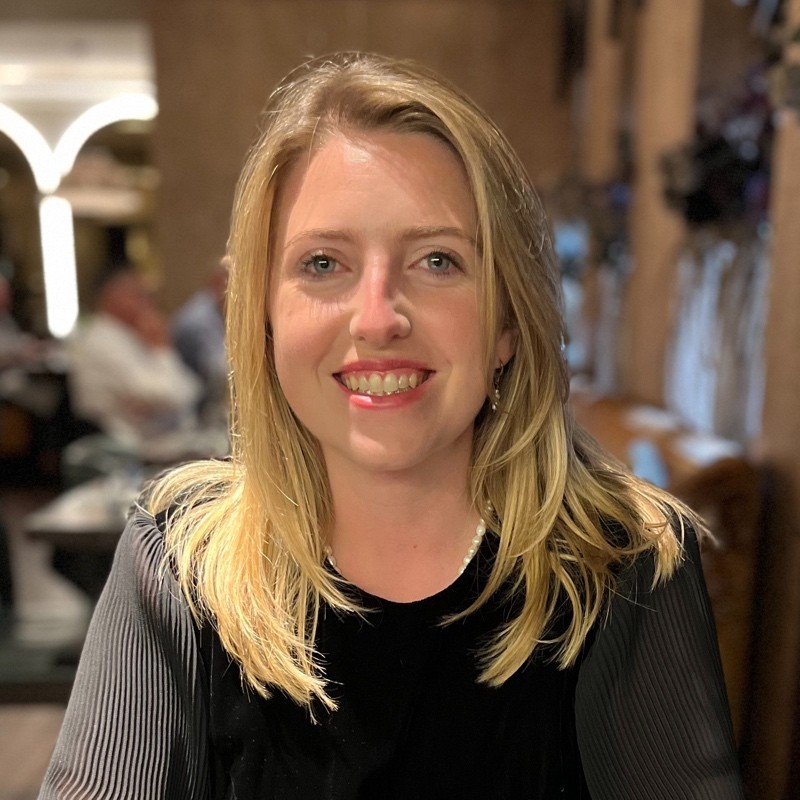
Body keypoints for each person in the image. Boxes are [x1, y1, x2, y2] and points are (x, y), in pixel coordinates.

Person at [40, 53, 744, 799]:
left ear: (507, 322)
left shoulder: (625, 563)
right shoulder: (177, 565)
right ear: (265, 318)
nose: (377, 319)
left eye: (437, 260)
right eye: (323, 264)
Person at [67, 265, 201, 443]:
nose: (150, 303)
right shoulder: (101, 341)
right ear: (113, 297)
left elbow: (192, 390)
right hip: (125, 448)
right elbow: (170, 397)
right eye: (139, 295)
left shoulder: (130, 335)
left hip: (157, 439)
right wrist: (162, 350)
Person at [171, 255, 229, 419]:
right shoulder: (198, 319)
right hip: (193, 412)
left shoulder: (217, 309)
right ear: (218, 282)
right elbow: (220, 371)